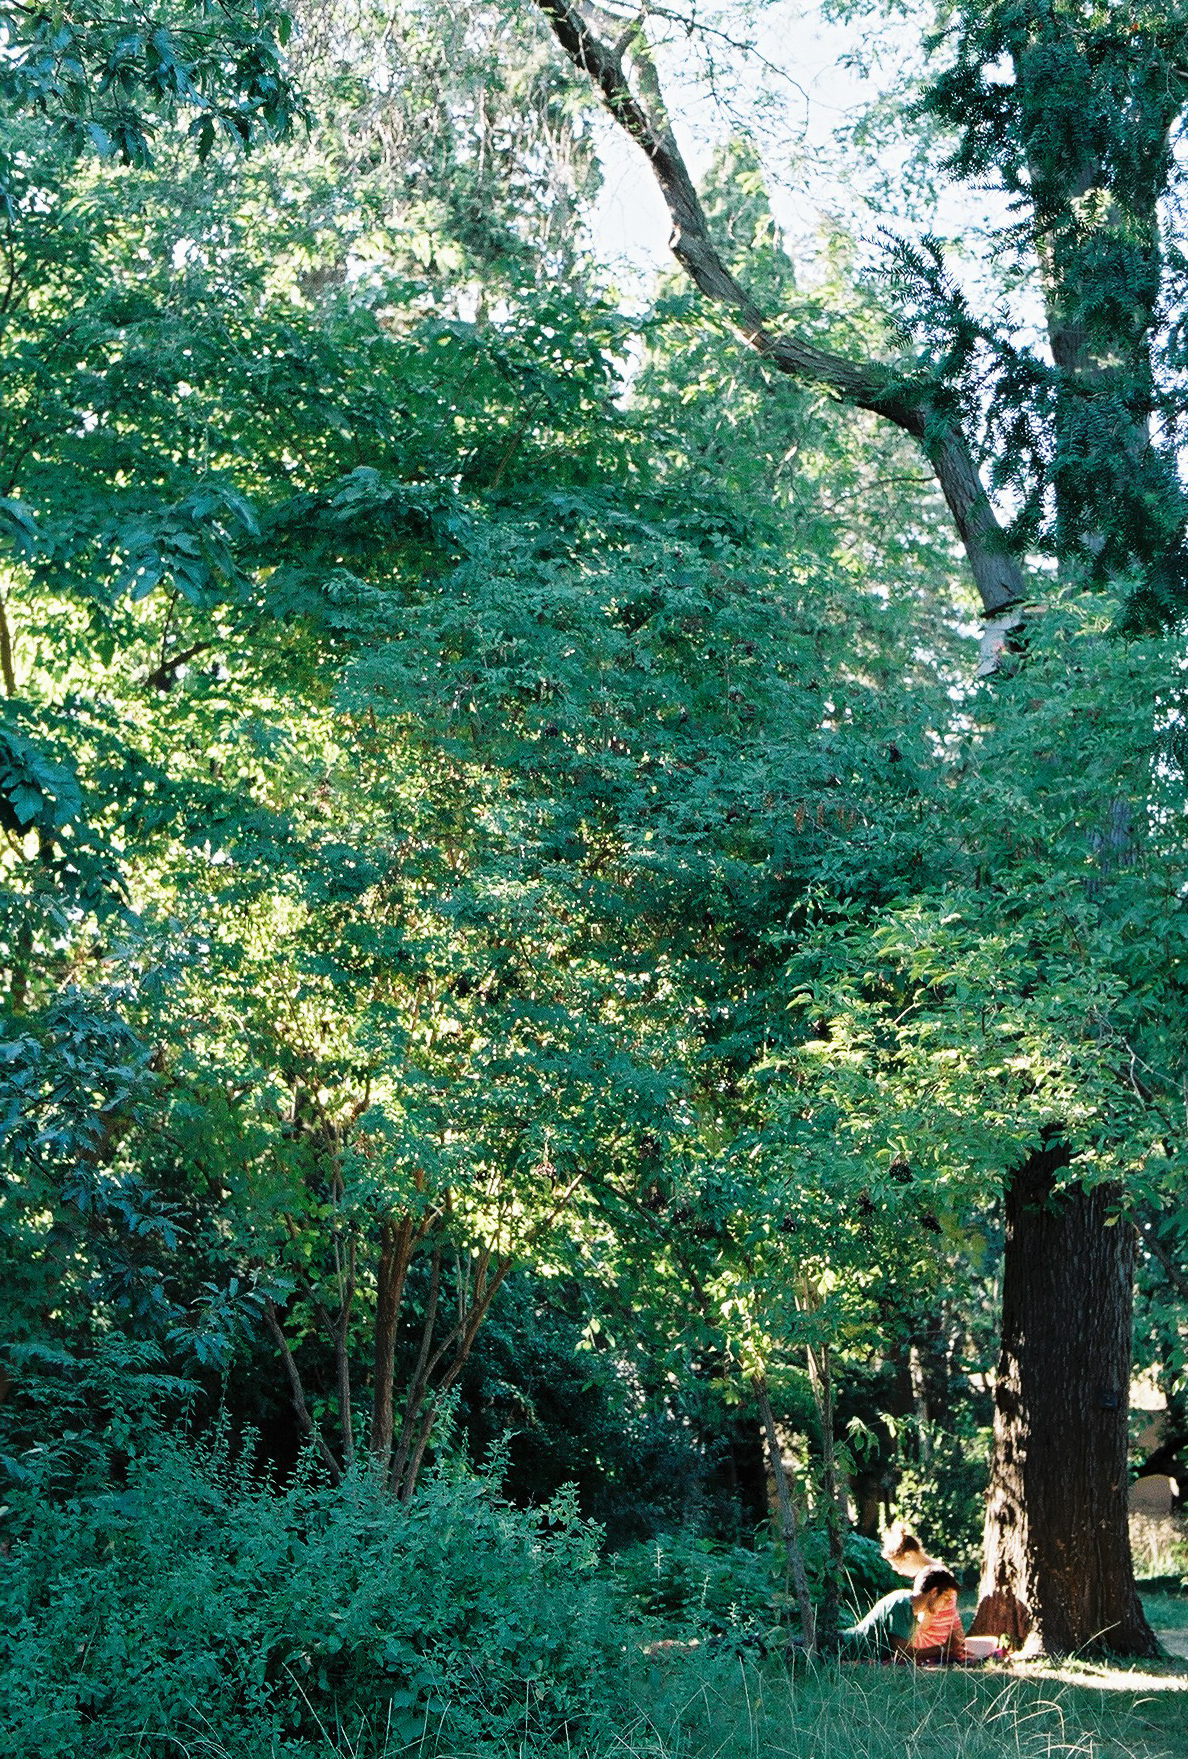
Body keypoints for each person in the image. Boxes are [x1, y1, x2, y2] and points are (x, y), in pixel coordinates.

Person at [841, 1566, 967, 1664]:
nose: (945, 1604)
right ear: (934, 1592)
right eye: (945, 1598)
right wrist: (944, 1648)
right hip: (842, 1649)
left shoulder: (912, 1609)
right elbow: (902, 1653)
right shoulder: (901, 1604)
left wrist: (948, 1653)